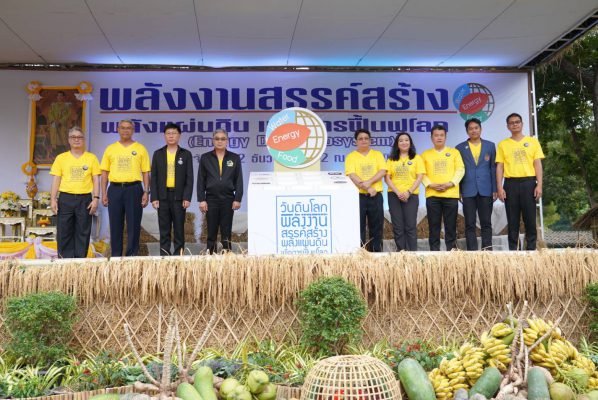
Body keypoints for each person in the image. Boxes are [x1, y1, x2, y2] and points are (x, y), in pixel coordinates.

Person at [100, 119, 151, 257]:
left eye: (129, 128)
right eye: (123, 128)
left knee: (133, 224)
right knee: (115, 224)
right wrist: (103, 193)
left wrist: (146, 192)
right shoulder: (110, 149)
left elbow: (146, 172)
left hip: (134, 189)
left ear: (133, 130)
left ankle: (131, 256)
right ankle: (116, 256)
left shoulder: (140, 148)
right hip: (115, 189)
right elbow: (104, 173)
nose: (125, 130)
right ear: (118, 129)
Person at [49, 127, 100, 258]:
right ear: (68, 140)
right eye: (73, 137)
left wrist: (95, 198)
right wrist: (53, 199)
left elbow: (96, 179)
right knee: (64, 230)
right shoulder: (61, 158)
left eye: (79, 137)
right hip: (65, 198)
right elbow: (56, 179)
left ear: (83, 140)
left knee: (83, 231)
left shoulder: (91, 158)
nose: (77, 139)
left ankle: (80, 262)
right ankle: (65, 262)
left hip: (85, 199)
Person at [496, 113, 544, 250]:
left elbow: (537, 164)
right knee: (512, 221)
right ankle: (514, 251)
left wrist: (539, 185)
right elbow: (500, 166)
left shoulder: (533, 142)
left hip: (529, 183)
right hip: (510, 184)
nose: (515, 124)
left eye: (517, 122)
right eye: (511, 123)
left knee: (529, 219)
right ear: (507, 126)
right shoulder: (503, 144)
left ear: (522, 124)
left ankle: (531, 250)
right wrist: (500, 187)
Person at [150, 123, 194, 256]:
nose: (171, 136)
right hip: (163, 197)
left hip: (179, 197)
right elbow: (154, 177)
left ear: (179, 135)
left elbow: (189, 177)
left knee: (179, 230)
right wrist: (154, 197)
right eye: (168, 133)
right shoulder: (158, 154)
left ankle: (178, 256)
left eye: (174, 133)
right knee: (164, 229)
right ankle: (164, 255)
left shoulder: (186, 154)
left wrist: (187, 197)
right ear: (164, 136)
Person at [197, 129, 244, 254]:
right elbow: (200, 180)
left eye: (223, 139)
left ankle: (227, 257)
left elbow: (239, 180)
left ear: (227, 141)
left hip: (228, 199)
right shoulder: (206, 158)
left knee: (226, 232)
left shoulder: (234, 158)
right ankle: (209, 257)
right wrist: (202, 199)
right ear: (213, 140)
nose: (219, 141)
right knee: (211, 232)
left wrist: (237, 199)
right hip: (211, 199)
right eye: (217, 138)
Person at [421, 125, 465, 251]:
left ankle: (451, 252)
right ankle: (434, 253)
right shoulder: (425, 155)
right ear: (431, 138)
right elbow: (421, 173)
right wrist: (430, 184)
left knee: (450, 226)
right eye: (436, 135)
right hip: (432, 195)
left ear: (445, 137)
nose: (439, 138)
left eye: (441, 135)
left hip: (450, 194)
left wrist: (451, 183)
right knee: (433, 226)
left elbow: (460, 170)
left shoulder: (454, 152)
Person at [456, 118, 497, 251]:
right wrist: (459, 191)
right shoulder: (460, 148)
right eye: (470, 128)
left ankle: (487, 251)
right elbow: (459, 170)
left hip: (486, 189)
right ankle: (472, 253)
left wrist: (495, 189)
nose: (473, 130)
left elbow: (493, 168)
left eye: (476, 128)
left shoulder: (490, 146)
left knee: (486, 223)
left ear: (480, 129)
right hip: (468, 190)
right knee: (470, 224)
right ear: (467, 131)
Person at [345, 128, 386, 252]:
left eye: (366, 138)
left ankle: (376, 254)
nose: (363, 140)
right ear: (356, 141)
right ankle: (361, 254)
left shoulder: (377, 154)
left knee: (377, 228)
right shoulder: (351, 157)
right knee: (359, 228)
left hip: (376, 196)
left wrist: (369, 183)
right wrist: (367, 187)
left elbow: (382, 171)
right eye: (360, 139)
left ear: (370, 140)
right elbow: (352, 175)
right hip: (358, 197)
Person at [385, 132, 425, 251]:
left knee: (410, 226)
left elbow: (419, 177)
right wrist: (398, 192)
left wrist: (409, 192)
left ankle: (412, 253)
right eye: (401, 140)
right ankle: (401, 253)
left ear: (410, 143)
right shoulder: (391, 159)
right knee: (398, 226)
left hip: (411, 195)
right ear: (397, 144)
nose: (404, 142)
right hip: (394, 195)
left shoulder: (417, 158)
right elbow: (387, 177)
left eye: (406, 140)